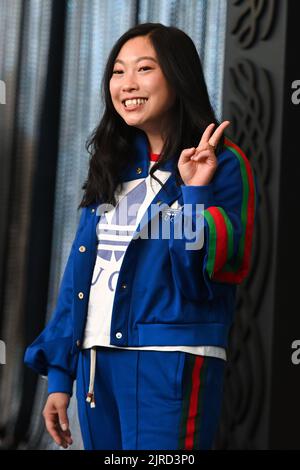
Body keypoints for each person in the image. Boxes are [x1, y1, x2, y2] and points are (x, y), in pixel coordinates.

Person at [24, 22, 257, 450]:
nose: (127, 84)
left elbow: (197, 278)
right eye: (117, 71)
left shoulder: (220, 165)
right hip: (98, 363)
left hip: (167, 363)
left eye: (144, 68)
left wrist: (196, 192)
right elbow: (81, 276)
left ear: (177, 75)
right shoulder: (114, 163)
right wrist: (61, 373)